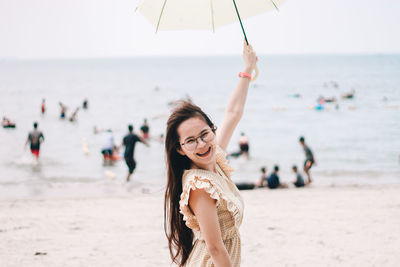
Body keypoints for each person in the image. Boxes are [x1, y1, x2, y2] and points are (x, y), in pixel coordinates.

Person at [164, 40, 256, 267]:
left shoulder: (215, 161)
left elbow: (233, 113)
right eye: (190, 141)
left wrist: (248, 68)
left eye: (205, 134)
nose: (202, 144)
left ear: (213, 130)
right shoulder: (199, 185)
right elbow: (215, 248)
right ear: (180, 148)